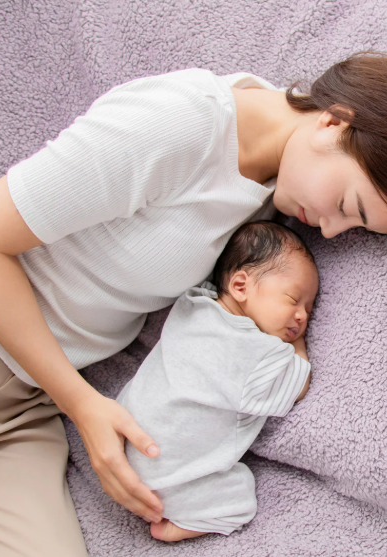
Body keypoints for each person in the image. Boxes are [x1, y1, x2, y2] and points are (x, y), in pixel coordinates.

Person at [0, 50, 387, 556]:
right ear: (334, 121)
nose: (331, 231)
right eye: (347, 206)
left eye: (357, 226)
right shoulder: (180, 123)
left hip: (17, 408)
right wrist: (82, 404)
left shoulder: (288, 171)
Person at [117, 220, 318, 542]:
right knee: (239, 499)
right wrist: (296, 344)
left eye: (309, 308)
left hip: (122, 440)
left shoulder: (194, 304)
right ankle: (182, 524)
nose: (303, 316)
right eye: (293, 299)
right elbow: (297, 385)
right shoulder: (254, 351)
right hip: (167, 480)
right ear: (240, 286)